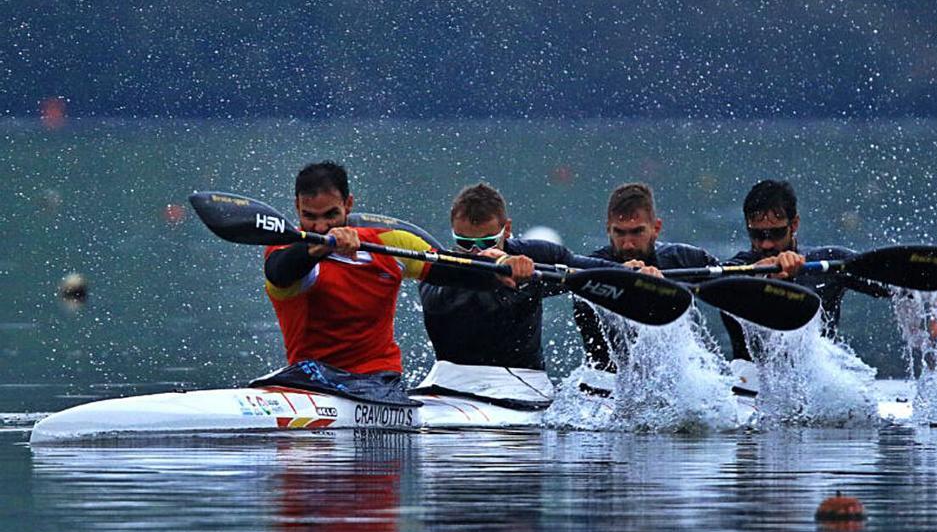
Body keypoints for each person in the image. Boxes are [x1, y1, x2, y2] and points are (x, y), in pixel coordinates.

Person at [258, 162, 533, 398]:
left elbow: (453, 271)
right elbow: (280, 273)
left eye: (331, 215)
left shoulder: (390, 242)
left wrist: (502, 266)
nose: (319, 227)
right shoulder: (284, 250)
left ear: (348, 204)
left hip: (377, 380)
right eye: (309, 216)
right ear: (296, 207)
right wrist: (324, 245)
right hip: (309, 378)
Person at [574, 182, 802, 371]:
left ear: (656, 228)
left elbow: (731, 284)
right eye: (619, 232)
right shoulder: (591, 271)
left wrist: (760, 269)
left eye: (637, 231)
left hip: (674, 383)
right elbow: (581, 307)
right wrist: (626, 278)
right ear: (608, 229)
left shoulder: (684, 258)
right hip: (606, 382)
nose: (628, 243)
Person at [418, 182, 606, 372]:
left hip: (521, 377)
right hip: (449, 376)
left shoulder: (537, 254)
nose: (475, 251)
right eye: (464, 242)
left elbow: (590, 269)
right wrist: (490, 273)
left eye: (486, 242)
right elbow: (435, 302)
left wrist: (625, 267)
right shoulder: (439, 266)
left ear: (506, 229)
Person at [721, 180, 889, 361]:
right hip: (751, 383)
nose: (766, 243)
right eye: (757, 235)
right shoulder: (735, 270)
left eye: (775, 233)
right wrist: (761, 275)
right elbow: (714, 281)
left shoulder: (828, 262)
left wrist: (919, 304)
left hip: (819, 383)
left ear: (794, 225)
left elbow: (893, 284)